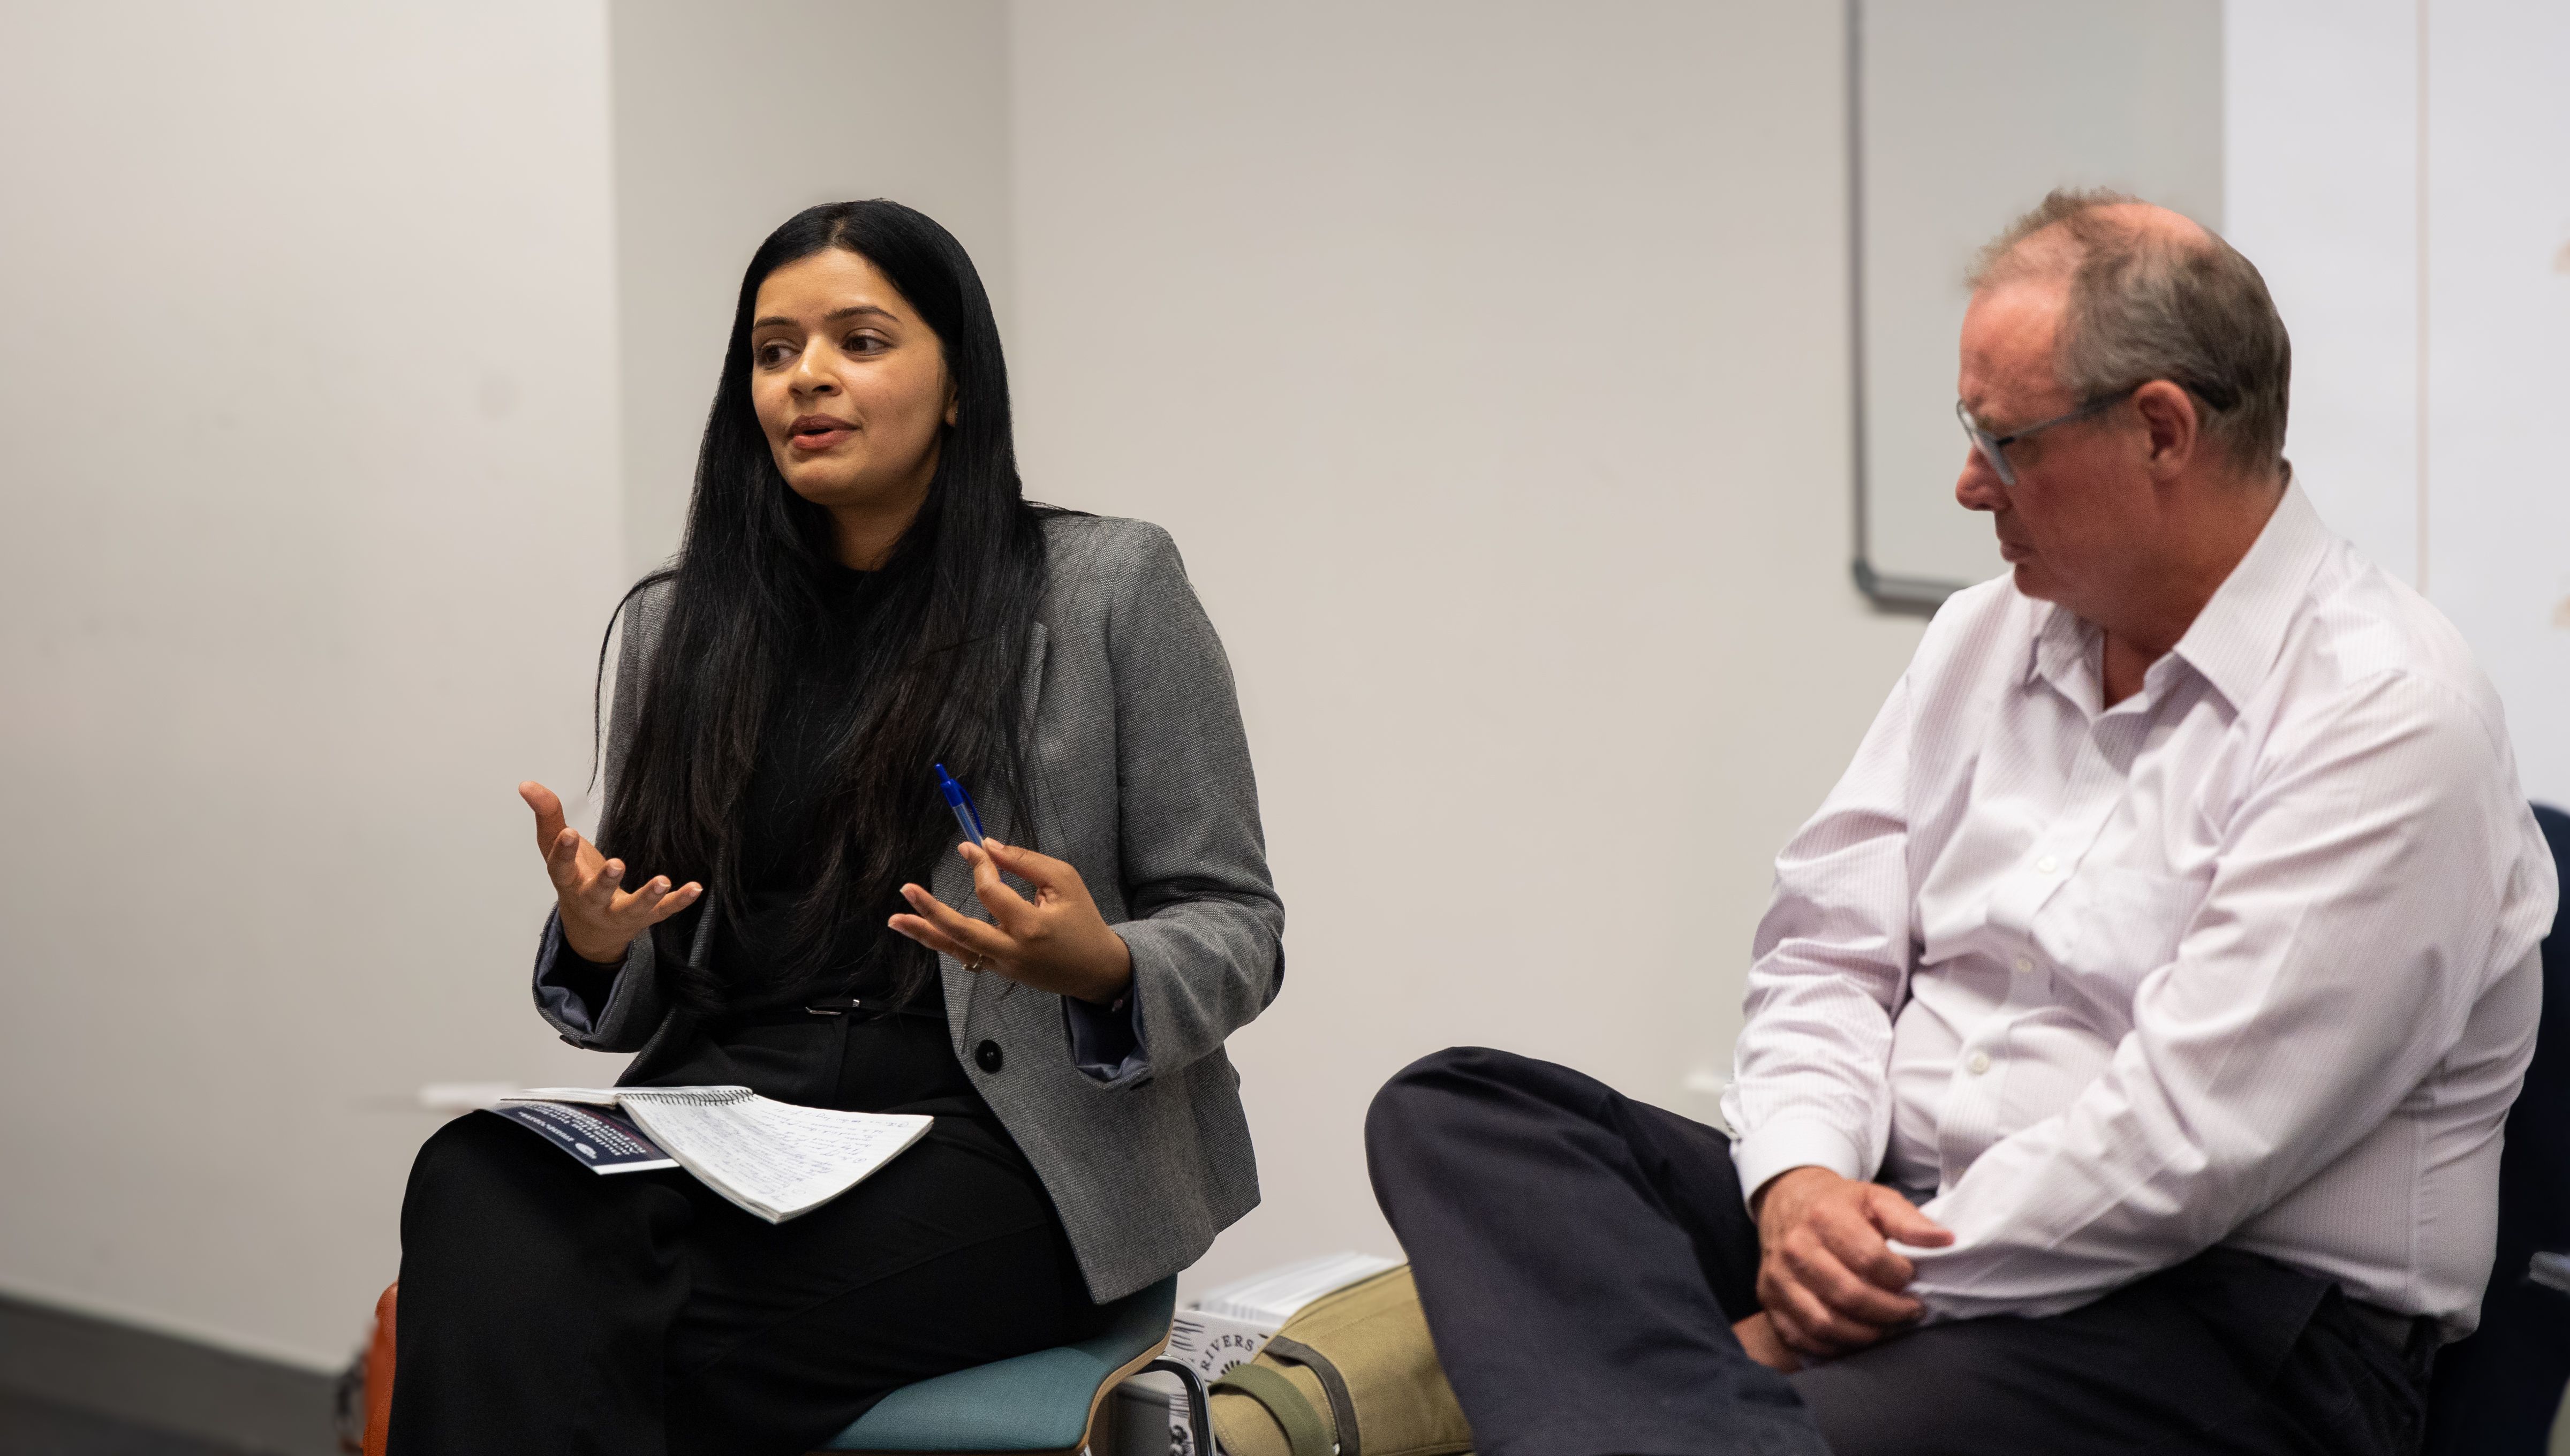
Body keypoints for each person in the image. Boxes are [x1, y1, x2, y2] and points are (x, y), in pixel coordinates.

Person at [1366, 191, 2557, 1456]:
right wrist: (1801, 1186)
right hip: (1896, 1213)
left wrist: (1827, 1313)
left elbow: (2182, 1148)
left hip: (2221, 1319)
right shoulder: (1985, 634)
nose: (1968, 482)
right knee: (1463, 1114)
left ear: (2163, 430)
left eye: (2007, 439)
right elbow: (1827, 947)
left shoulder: (2388, 714)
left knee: (1792, 1409)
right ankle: (1692, 1424)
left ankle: (1682, 1415)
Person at [388, 200, 1282, 1455]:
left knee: (610, 1343)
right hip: (732, 1109)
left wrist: (1106, 964)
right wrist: (599, 941)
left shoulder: (1110, 587)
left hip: (996, 1138)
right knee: (476, 1181)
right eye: (773, 349)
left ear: (958, 384)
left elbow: (1239, 920)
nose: (807, 374)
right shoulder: (681, 624)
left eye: (860, 340)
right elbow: (651, 976)